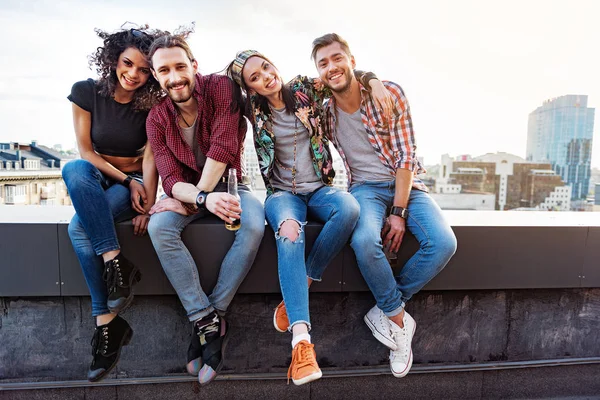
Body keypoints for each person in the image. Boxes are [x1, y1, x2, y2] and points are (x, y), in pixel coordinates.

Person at [226, 50, 392, 385]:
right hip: (281, 195)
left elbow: (341, 76)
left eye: (266, 68)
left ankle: (303, 282)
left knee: (349, 208)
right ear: (250, 89)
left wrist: (372, 79)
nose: (265, 77)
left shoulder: (304, 88)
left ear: (274, 65)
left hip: (319, 188)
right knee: (289, 233)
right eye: (254, 78)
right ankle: (302, 342)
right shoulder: (251, 109)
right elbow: (213, 93)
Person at [311, 33, 458, 378]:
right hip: (364, 189)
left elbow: (407, 155)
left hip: (406, 185)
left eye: (337, 58)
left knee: (443, 243)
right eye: (323, 63)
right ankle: (398, 321)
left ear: (351, 59)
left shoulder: (387, 93)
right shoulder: (324, 111)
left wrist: (399, 212)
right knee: (364, 241)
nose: (331, 67)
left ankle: (387, 309)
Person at [145, 34, 265, 386]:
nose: (175, 76)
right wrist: (199, 199)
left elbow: (224, 145)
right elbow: (168, 177)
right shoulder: (156, 118)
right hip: (190, 195)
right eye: (164, 70)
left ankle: (215, 314)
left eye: (180, 66)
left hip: (228, 185)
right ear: (156, 76)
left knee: (253, 226)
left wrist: (201, 196)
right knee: (158, 228)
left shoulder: (222, 88)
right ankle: (206, 319)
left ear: (194, 66)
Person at [62, 24, 165, 382]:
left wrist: (148, 200)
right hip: (102, 178)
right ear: (113, 58)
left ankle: (106, 322)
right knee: (73, 168)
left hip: (132, 185)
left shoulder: (153, 104)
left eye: (143, 69)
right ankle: (114, 261)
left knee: (79, 227)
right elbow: (86, 153)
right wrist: (125, 171)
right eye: (128, 64)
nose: (134, 75)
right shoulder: (85, 92)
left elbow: (149, 158)